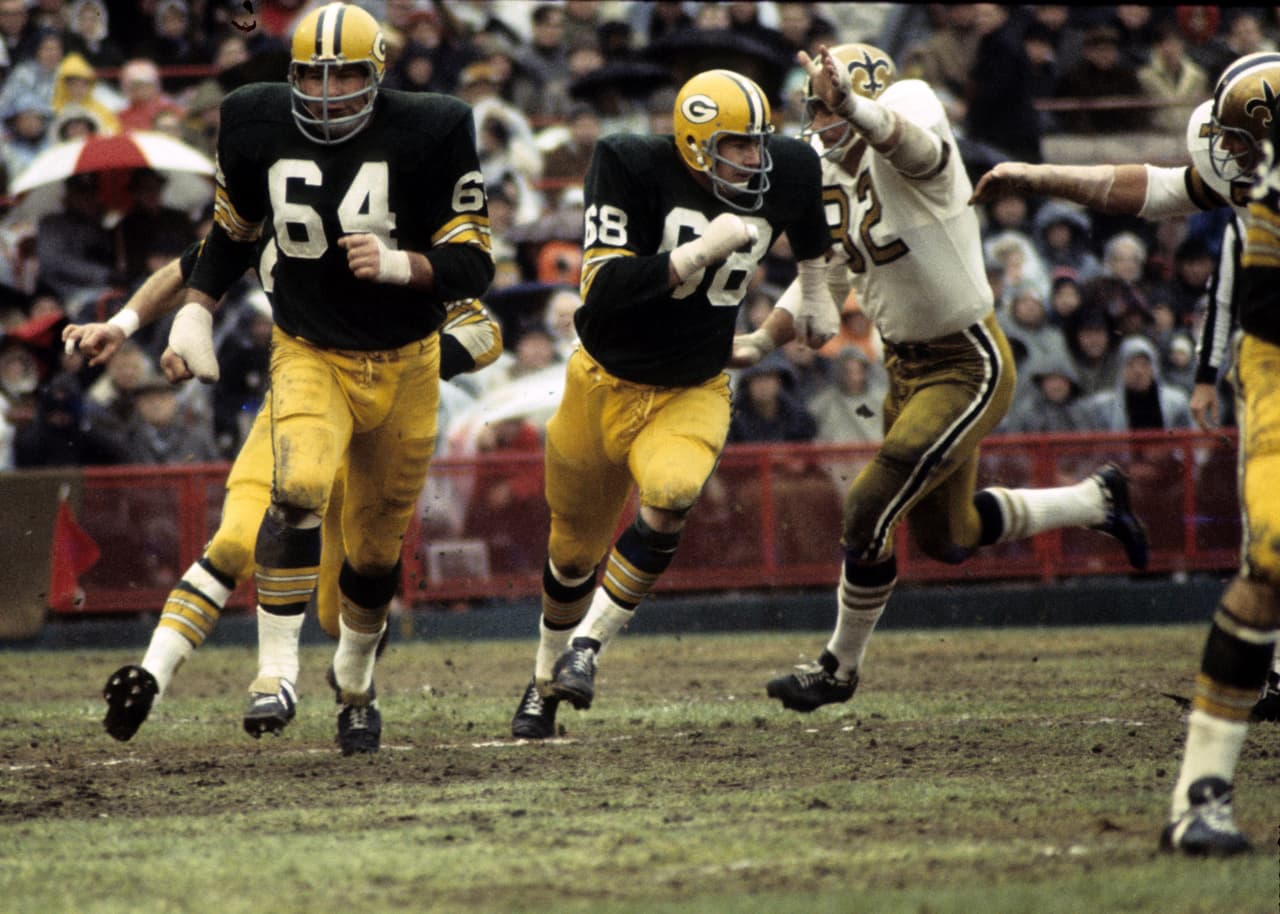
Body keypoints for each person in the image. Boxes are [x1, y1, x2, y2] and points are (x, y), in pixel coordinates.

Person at [730, 44, 1149, 719]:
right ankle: (1097, 501)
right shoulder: (830, 176)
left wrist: (855, 106)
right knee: (945, 537)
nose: (818, 120)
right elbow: (832, 274)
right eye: (815, 108)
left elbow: (915, 150)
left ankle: (838, 667)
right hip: (905, 367)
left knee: (868, 503)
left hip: (967, 361)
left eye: (828, 105)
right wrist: (760, 339)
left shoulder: (907, 113)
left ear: (861, 98)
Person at [165, 2, 494, 755]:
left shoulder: (434, 126)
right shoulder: (252, 119)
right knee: (298, 489)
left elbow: (476, 263)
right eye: (311, 74)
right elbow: (232, 236)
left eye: (345, 72)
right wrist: (194, 310)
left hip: (406, 361)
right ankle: (274, 673)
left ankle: (353, 682)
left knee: (374, 554)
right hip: (308, 346)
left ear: (378, 73)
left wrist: (406, 264)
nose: (327, 89)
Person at [508, 67, 836, 740]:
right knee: (571, 553)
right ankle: (543, 680)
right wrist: (691, 257)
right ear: (692, 143)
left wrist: (815, 292)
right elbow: (601, 288)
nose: (752, 160)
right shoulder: (628, 162)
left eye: (757, 144)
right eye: (734, 147)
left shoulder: (789, 168)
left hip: (693, 384)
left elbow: (812, 233)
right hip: (601, 380)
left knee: (673, 492)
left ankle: (586, 648)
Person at [67, 244, 502, 744]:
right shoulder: (280, 198)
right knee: (233, 542)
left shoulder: (395, 221)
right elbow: (196, 266)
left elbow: (482, 327)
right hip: (299, 410)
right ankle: (153, 676)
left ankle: (356, 690)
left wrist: (413, 363)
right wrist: (125, 326)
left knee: (347, 599)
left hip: (374, 431)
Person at [970, 51, 1280, 730]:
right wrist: (1035, 175)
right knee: (1269, 526)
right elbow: (1147, 189)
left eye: (1237, 140)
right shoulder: (1258, 190)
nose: (1227, 159)